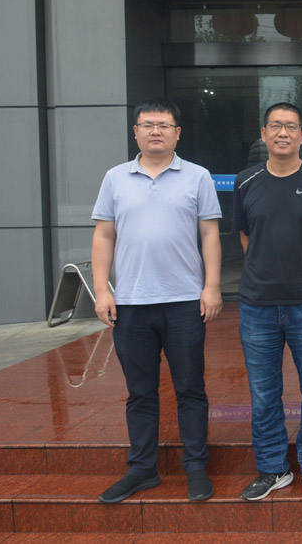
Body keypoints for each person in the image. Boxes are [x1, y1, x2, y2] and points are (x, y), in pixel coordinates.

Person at [91, 99, 222, 504]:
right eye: (147, 124)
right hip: (131, 303)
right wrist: (102, 290)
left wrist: (212, 286)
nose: (155, 131)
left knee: (191, 388)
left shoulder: (197, 176)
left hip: (184, 302)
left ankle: (196, 465)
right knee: (140, 392)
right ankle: (142, 469)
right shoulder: (115, 178)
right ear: (136, 132)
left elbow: (210, 234)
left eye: (164, 125)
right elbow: (104, 235)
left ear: (177, 133)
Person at [233, 102, 302, 501]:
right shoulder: (246, 181)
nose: (282, 133)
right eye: (275, 126)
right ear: (263, 134)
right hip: (257, 305)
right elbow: (246, 236)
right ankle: (273, 468)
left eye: (291, 127)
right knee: (263, 396)